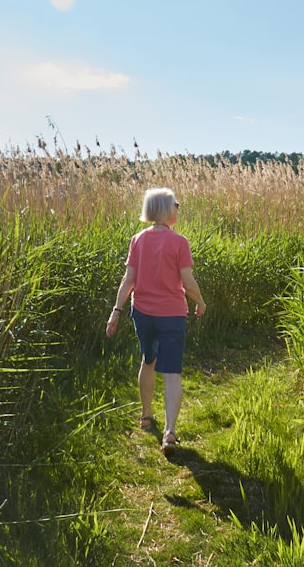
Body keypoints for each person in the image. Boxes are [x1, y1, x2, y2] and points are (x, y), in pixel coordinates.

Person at [106, 187, 206, 455]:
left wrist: (116, 311)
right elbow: (187, 281)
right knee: (172, 372)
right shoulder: (179, 242)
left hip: (143, 313)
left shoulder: (137, 240)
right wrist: (200, 301)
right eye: (176, 204)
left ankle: (146, 415)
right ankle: (170, 432)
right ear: (165, 208)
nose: (178, 208)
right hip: (172, 314)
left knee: (147, 361)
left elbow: (128, 279)